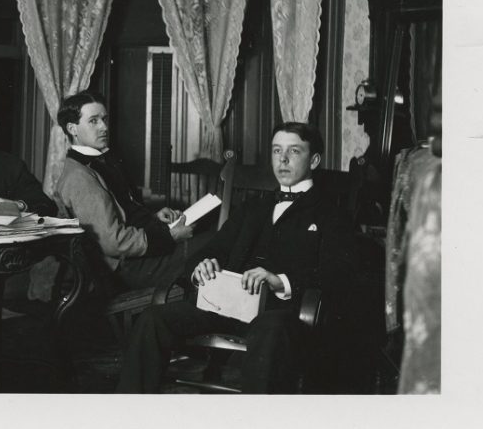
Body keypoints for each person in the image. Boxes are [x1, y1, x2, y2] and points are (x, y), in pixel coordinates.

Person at [115, 122, 355, 393]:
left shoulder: (331, 215)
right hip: (228, 306)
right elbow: (212, 250)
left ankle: (252, 428)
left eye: (294, 151)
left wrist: (279, 281)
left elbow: (338, 275)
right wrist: (200, 266)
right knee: (153, 319)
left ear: (314, 160)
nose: (283, 159)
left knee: (269, 330)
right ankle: (130, 415)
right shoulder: (252, 208)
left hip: (280, 315)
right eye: (277, 151)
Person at [53, 91, 211, 292]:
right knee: (216, 242)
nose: (104, 127)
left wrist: (153, 218)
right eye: (93, 121)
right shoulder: (79, 177)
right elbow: (113, 242)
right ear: (72, 129)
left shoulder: (96, 163)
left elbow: (118, 212)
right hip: (124, 270)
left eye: (104, 119)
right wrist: (170, 236)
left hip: (134, 257)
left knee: (214, 236)